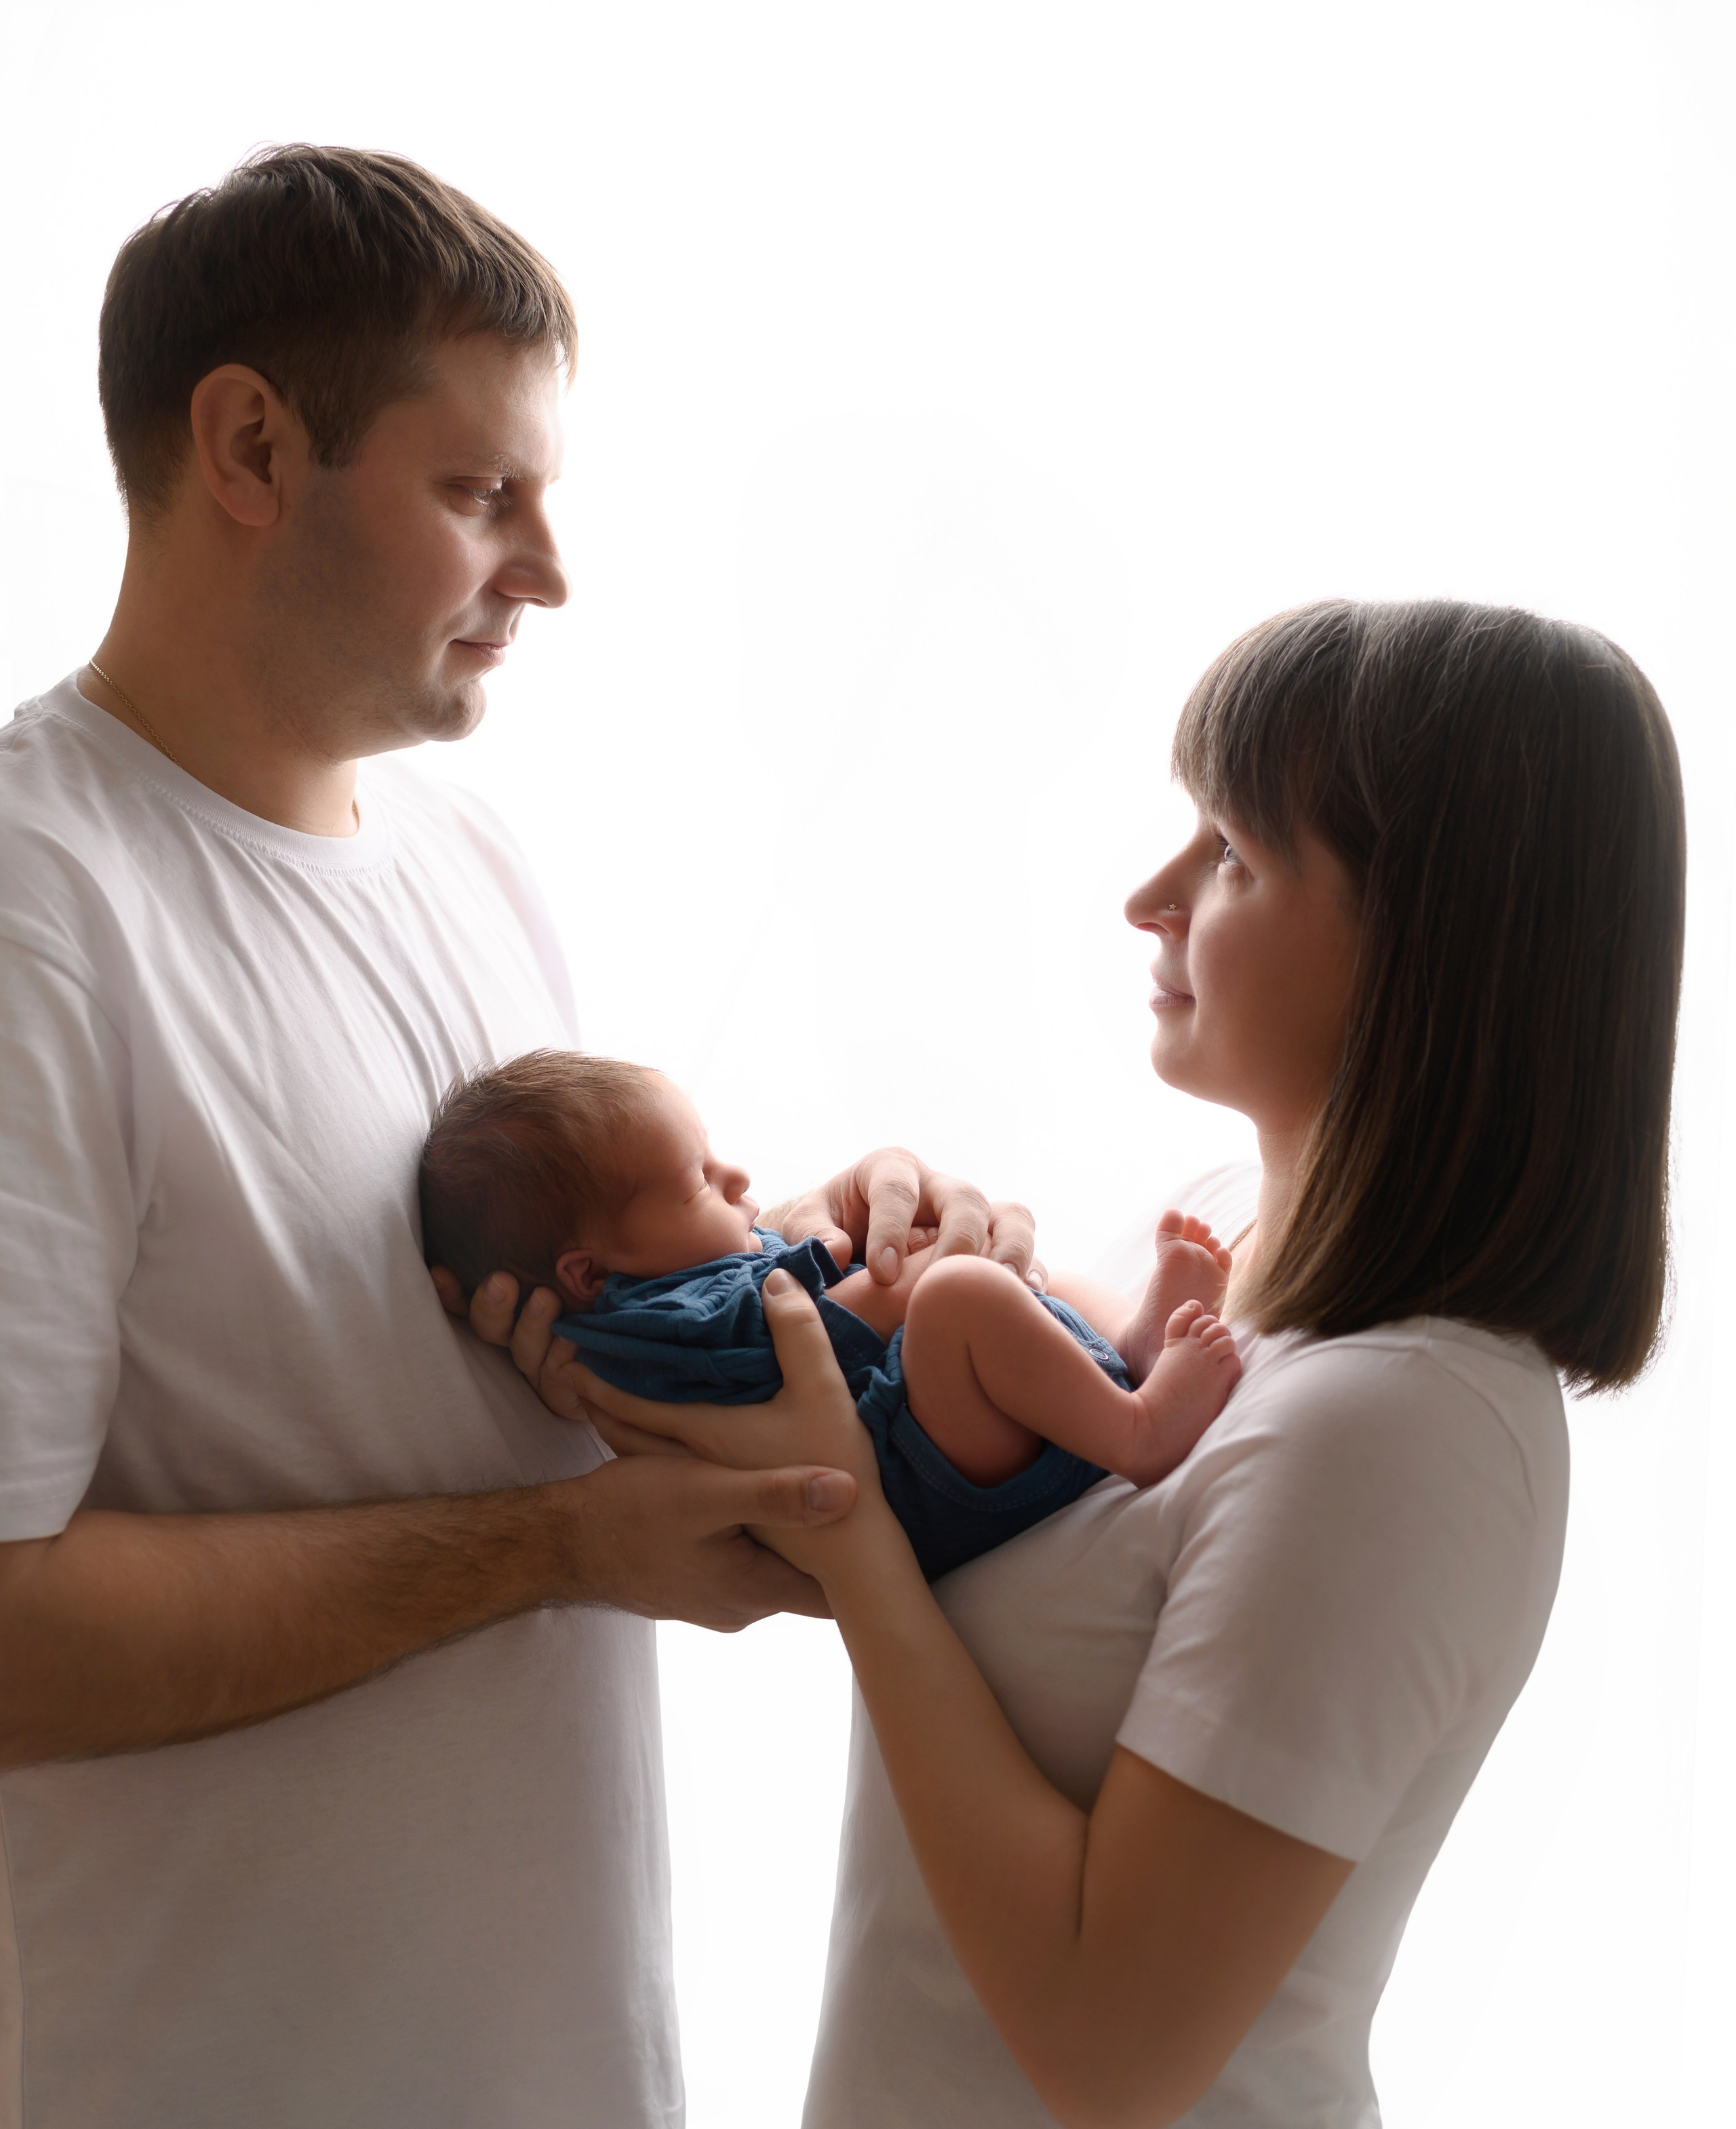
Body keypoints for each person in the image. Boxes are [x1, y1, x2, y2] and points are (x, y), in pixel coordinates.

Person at [0, 144, 1035, 2129]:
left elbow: (502, 1341)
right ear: (246, 444)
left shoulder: (467, 857)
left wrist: (797, 1256)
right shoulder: (39, 906)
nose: (548, 570)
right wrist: (557, 1548)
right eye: (483, 493)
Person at [486, 599, 1686, 2127]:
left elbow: (1107, 2056)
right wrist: (816, 1241)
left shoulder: (1405, 1425)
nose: (1148, 897)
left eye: (1234, 855)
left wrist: (847, 1528)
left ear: (1429, 948)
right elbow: (967, 1435)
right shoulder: (1222, 1237)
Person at [418, 1051, 1241, 1578]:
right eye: (699, 1179)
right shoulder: (659, 1319)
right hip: (920, 1483)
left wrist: (864, 1238)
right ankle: (1137, 1430)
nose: (737, 1177)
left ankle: (1122, 1349)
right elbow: (809, 1333)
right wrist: (915, 1267)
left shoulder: (669, 1285)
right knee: (960, 1292)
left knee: (1000, 1282)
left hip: (930, 1440)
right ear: (590, 1271)